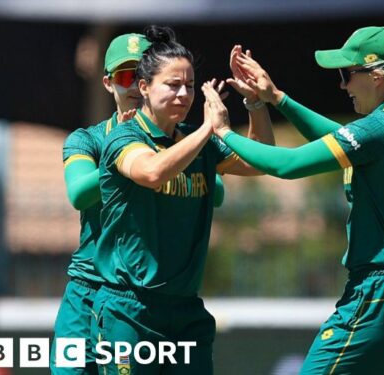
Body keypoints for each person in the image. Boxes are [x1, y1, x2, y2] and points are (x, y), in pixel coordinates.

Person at [204, 25, 384, 374]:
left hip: (381, 296)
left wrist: (222, 131)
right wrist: (277, 98)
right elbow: (340, 138)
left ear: (377, 76)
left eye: (347, 74)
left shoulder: (379, 129)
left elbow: (287, 164)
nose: (342, 85)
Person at [91, 25, 273, 374]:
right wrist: (209, 128)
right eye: (172, 85)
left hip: (185, 311)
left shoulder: (197, 140)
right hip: (129, 311)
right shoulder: (125, 137)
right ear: (144, 87)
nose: (183, 94)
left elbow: (259, 160)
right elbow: (152, 172)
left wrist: (254, 103)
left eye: (189, 86)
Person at [55, 32, 151, 375]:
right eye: (127, 77)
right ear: (109, 83)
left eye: (146, 76)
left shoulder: (177, 142)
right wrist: (120, 151)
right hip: (86, 292)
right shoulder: (88, 140)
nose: (137, 87)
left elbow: (214, 191)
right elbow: (79, 193)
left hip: (135, 299)